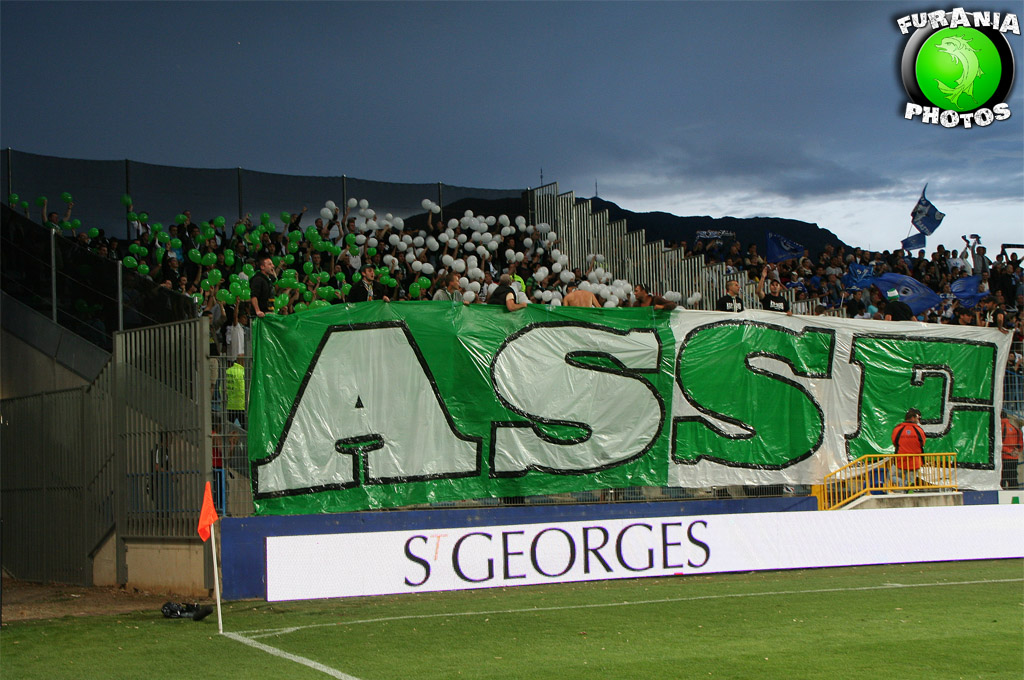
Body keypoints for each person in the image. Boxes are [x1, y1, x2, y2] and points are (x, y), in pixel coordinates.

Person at [890, 408, 926, 490]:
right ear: (913, 418)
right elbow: (922, 443)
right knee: (911, 481)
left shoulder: (898, 429)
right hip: (914, 461)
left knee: (892, 476)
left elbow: (895, 442)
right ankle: (908, 490)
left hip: (900, 460)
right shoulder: (919, 430)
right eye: (917, 418)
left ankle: (903, 486)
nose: (918, 420)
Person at [225, 352, 247, 430]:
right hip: (241, 405)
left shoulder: (228, 371)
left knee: (228, 428)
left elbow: (221, 388)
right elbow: (243, 389)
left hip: (229, 404)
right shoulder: (243, 372)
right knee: (245, 429)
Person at [1000, 411, 1022, 489]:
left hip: (1004, 458)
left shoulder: (1000, 428)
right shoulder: (1015, 428)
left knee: (1002, 479)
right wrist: (1016, 450)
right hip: (1014, 458)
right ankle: (1015, 494)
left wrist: (1009, 451)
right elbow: (1020, 443)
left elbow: (998, 444)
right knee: (1013, 479)